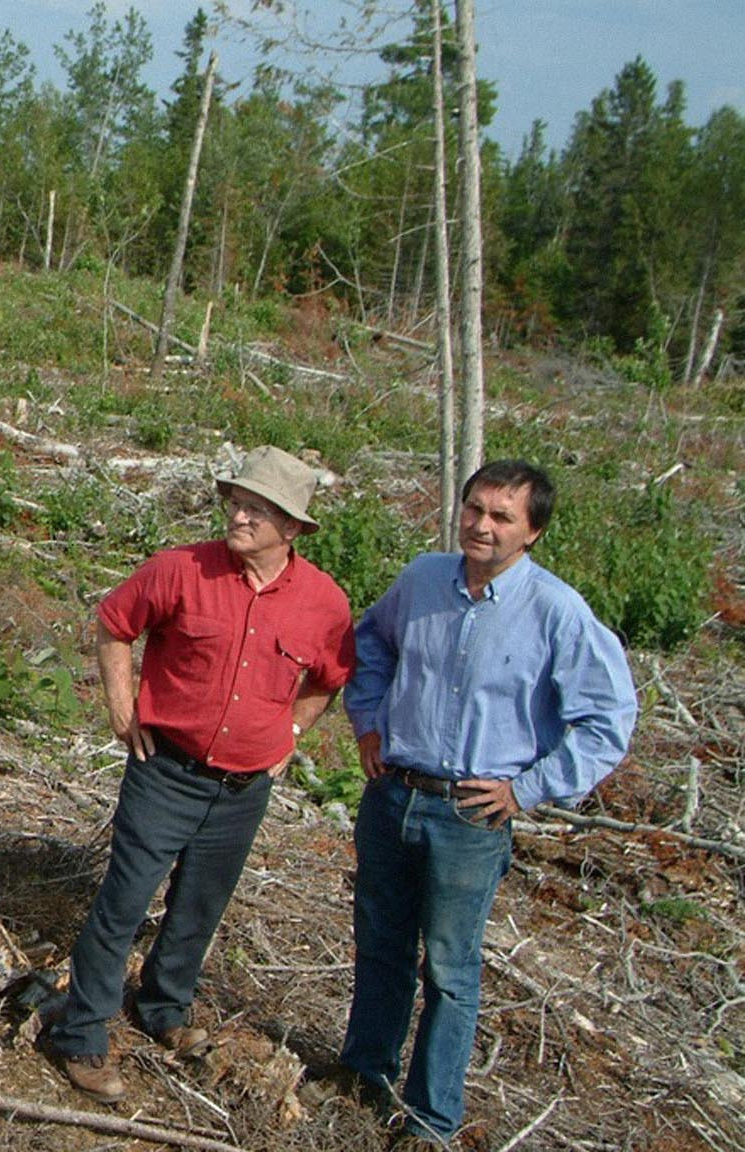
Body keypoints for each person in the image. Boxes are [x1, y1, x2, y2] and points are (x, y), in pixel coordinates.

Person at [38, 446, 354, 1103]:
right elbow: (114, 624)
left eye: (257, 510)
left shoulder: (323, 602)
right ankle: (81, 1034)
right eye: (236, 502)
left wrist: (290, 734)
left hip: (244, 787)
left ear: (292, 528)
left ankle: (165, 1010)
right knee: (124, 901)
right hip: (166, 770)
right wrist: (122, 706)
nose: (238, 516)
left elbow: (329, 679)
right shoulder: (180, 569)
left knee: (199, 906)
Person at [339, 460, 637, 1145]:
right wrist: (371, 723)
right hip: (395, 796)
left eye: (502, 517)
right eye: (475, 508)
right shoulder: (422, 579)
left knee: (448, 967)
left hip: (473, 814)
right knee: (381, 945)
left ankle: (431, 1118)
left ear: (533, 532)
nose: (481, 525)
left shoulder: (556, 611)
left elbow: (608, 719)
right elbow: (370, 645)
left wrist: (528, 788)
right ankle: (363, 1072)